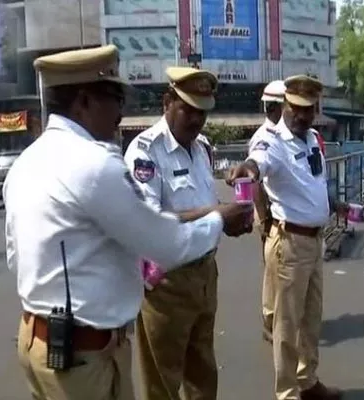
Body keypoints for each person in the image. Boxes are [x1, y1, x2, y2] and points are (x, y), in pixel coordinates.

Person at [5, 45, 250, 400]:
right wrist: (218, 219)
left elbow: (16, 256)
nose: (121, 112)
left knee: (200, 368)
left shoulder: (28, 161)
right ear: (84, 101)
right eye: (115, 97)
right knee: (163, 381)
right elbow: (164, 242)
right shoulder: (95, 164)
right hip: (83, 352)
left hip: (44, 339)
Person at [123, 67, 249, 400]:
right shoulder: (144, 151)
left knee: (203, 374)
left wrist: (228, 219)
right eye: (189, 109)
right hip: (167, 282)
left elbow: (201, 205)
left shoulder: (203, 147)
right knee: (163, 383)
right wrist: (218, 214)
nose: (196, 120)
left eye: (203, 112)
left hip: (205, 273)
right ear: (168, 102)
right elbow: (149, 219)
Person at [227, 75, 345, 400]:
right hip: (290, 243)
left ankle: (307, 381)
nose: (304, 116)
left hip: (314, 241)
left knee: (311, 319)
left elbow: (314, 183)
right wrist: (248, 171)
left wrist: (335, 205)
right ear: (285, 106)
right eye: (298, 109)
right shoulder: (272, 142)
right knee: (286, 326)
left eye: (310, 110)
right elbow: (258, 163)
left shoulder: (311, 139)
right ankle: (288, 393)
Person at [249, 79, 286, 344]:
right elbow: (255, 181)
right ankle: (270, 320)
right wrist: (263, 219)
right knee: (273, 270)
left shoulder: (284, 134)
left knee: (281, 269)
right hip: (269, 212)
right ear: (276, 108)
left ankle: (281, 316)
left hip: (282, 213)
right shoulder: (265, 137)